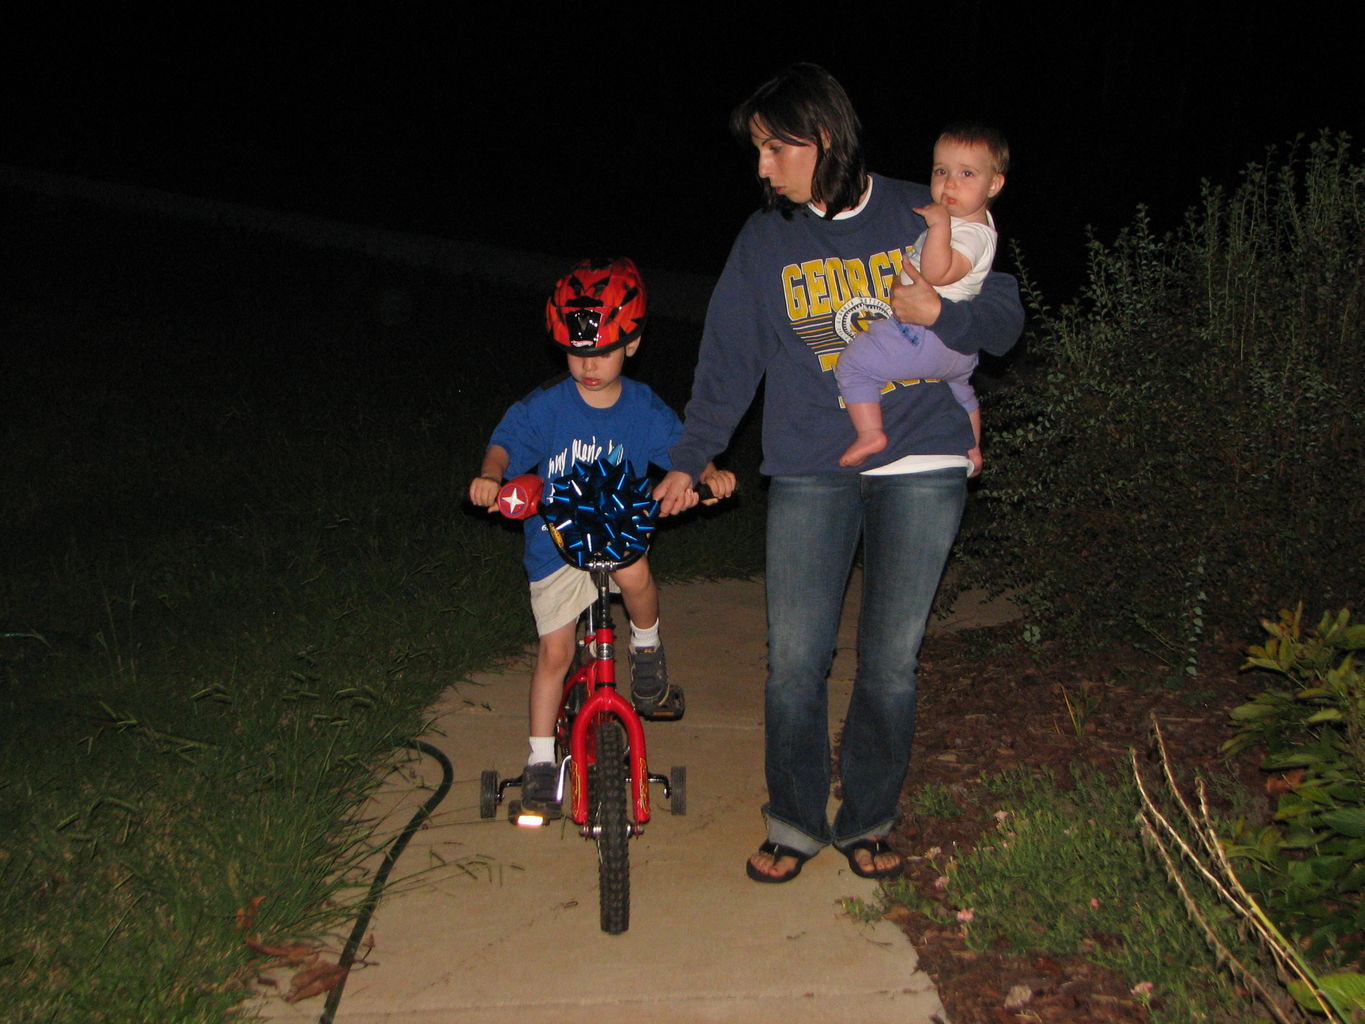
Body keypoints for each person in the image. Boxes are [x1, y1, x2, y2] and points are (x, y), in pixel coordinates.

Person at [654, 65, 1022, 883]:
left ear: (820, 139)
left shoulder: (918, 208)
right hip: (810, 465)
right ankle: (792, 819)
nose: (761, 168)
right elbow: (727, 362)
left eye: (771, 148)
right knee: (794, 657)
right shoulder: (765, 240)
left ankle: (867, 819)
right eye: (755, 151)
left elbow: (1001, 317)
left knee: (889, 659)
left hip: (921, 457)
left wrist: (942, 314)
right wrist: (692, 455)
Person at [469, 257, 732, 818]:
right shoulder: (547, 406)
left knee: (638, 575)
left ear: (632, 345)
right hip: (557, 544)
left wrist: (708, 475)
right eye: (576, 352)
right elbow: (505, 445)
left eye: (603, 352)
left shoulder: (643, 409)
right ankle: (542, 761)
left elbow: (685, 453)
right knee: (555, 653)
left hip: (617, 532)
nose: (588, 365)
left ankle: (647, 651)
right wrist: (492, 477)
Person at [836, 124, 1008, 468]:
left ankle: (871, 432)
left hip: (924, 336)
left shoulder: (971, 233)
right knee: (963, 392)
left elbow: (938, 273)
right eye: (941, 170)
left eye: (967, 173)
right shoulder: (977, 224)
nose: (950, 183)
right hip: (958, 353)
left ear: (993, 184)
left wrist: (939, 226)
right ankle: (972, 449)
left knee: (852, 366)